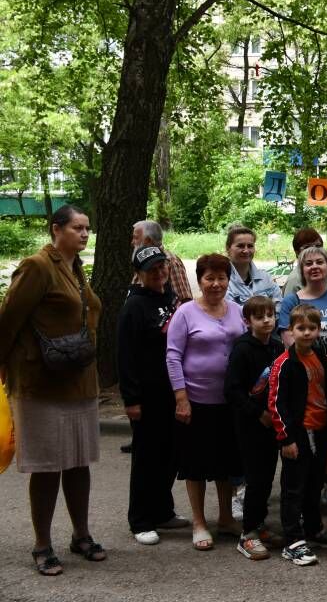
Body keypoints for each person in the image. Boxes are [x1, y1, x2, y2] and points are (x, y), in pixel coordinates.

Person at [0, 205, 105, 576]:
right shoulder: (37, 266)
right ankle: (42, 545)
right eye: (77, 227)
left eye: (88, 228)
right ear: (55, 229)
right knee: (47, 468)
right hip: (41, 383)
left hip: (78, 381)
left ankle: (81, 535)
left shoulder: (75, 269)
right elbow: (8, 320)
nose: (84, 234)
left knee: (79, 463)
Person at [166, 253, 244, 551]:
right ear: (199, 280)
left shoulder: (236, 310)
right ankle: (199, 522)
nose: (215, 284)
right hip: (196, 400)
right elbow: (173, 355)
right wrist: (180, 397)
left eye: (221, 278)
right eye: (209, 278)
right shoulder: (185, 312)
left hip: (229, 401)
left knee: (225, 463)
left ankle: (225, 518)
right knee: (196, 464)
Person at [118, 245, 185, 548]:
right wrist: (131, 399)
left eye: (162, 267)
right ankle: (140, 518)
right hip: (147, 395)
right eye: (152, 269)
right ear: (140, 274)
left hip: (173, 392)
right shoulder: (134, 305)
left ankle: (162, 510)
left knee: (171, 453)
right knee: (147, 457)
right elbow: (125, 354)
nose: (159, 273)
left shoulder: (170, 297)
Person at [267, 304, 327, 566]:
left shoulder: (320, 354)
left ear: (319, 330)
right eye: (301, 328)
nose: (307, 333)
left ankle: (313, 528)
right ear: (290, 331)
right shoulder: (284, 363)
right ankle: (293, 540)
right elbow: (276, 404)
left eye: (312, 328)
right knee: (294, 487)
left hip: (320, 430)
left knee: (314, 483)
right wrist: (285, 438)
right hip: (298, 433)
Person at [224, 295, 284, 561]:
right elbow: (232, 390)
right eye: (260, 317)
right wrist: (256, 413)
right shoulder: (242, 349)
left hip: (273, 422)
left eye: (270, 315)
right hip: (250, 424)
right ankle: (247, 534)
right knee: (254, 478)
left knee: (267, 477)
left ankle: (259, 525)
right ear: (247, 321)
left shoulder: (278, 346)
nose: (266, 320)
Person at [278, 246, 327, 348]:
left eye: (319, 262)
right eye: (308, 264)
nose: (314, 266)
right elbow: (289, 341)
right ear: (302, 271)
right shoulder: (291, 302)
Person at [131, 219, 193, 303]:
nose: (132, 242)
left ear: (148, 241)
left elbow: (184, 300)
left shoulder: (170, 261)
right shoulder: (142, 260)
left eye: (136, 238)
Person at [225, 226, 282, 306]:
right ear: (228, 248)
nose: (246, 250)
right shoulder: (223, 281)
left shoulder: (266, 278)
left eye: (250, 246)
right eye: (240, 246)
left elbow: (278, 305)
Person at [281, 228, 324, 297]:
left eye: (318, 246)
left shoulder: (325, 273)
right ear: (297, 252)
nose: (314, 250)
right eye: (307, 247)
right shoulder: (294, 280)